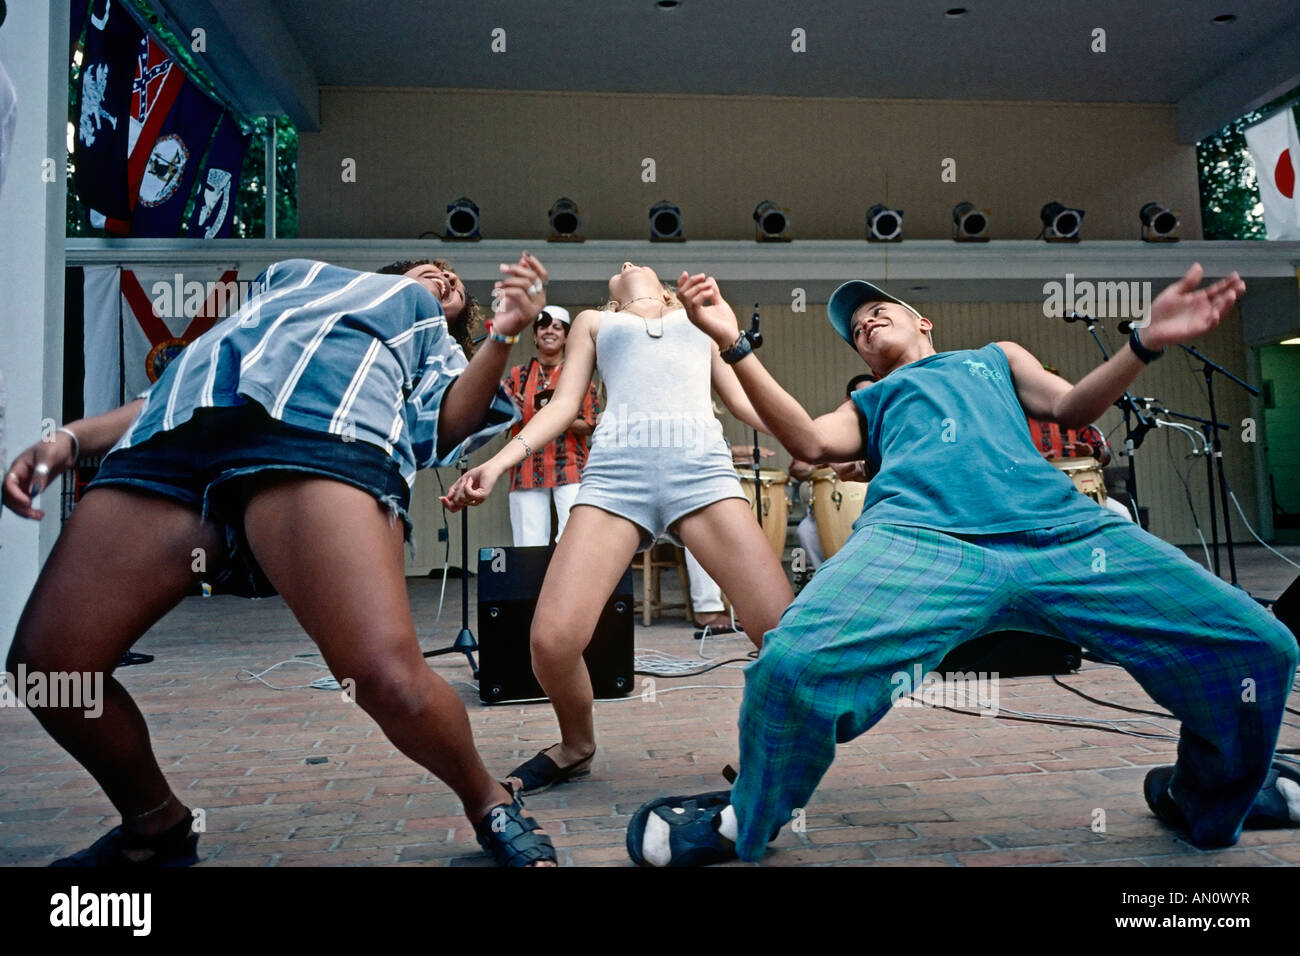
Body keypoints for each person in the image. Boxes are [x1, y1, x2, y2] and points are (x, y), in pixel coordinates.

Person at [626, 263, 1300, 866]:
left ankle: (1207, 796)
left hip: (1061, 532)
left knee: (1258, 645)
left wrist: (1144, 342)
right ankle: (747, 818)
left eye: (876, 309)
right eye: (855, 328)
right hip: (923, 541)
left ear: (923, 320)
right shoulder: (873, 400)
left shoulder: (992, 358)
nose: (865, 322)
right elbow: (806, 438)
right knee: (790, 664)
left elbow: (1073, 407)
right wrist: (732, 344)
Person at [3, 252, 560, 867]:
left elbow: (448, 422)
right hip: (171, 438)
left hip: (321, 435)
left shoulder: (431, 336)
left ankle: (489, 800)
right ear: (394, 268)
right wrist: (74, 436)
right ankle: (154, 826)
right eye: (433, 269)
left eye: (455, 284)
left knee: (386, 679)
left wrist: (503, 334)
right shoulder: (296, 276)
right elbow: (193, 374)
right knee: (50, 669)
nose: (447, 278)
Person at [442, 261, 794, 795]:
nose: (627, 264)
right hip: (613, 481)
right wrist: (493, 466)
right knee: (552, 642)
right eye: (619, 265)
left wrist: (814, 444)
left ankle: (770, 756)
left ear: (664, 281)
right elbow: (563, 405)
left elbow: (745, 402)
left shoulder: (698, 316)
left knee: (781, 634)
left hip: (701, 474)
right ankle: (577, 746)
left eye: (635, 261)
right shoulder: (593, 322)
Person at [502, 305, 599, 546]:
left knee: (575, 540)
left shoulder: (580, 375)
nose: (550, 331)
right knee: (529, 544)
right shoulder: (517, 376)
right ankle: (531, 586)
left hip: (570, 466)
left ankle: (571, 585)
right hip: (526, 467)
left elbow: (589, 425)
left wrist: (556, 416)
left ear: (566, 336)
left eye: (557, 327)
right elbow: (494, 421)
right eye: (543, 326)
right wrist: (512, 410)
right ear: (534, 336)